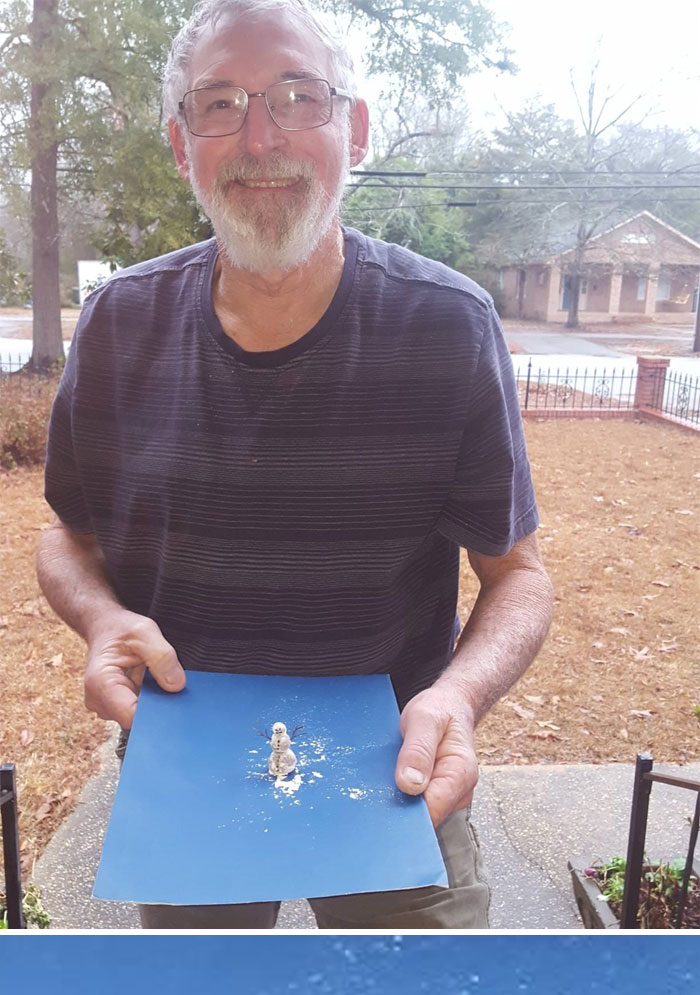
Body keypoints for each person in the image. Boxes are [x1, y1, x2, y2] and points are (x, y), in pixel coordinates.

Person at [36, 0, 553, 930]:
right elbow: (66, 538)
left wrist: (458, 698)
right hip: (188, 772)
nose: (260, 137)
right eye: (220, 103)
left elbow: (517, 576)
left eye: (296, 97)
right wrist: (102, 615)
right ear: (181, 140)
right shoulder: (120, 324)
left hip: (401, 769)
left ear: (352, 129)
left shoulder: (447, 325)